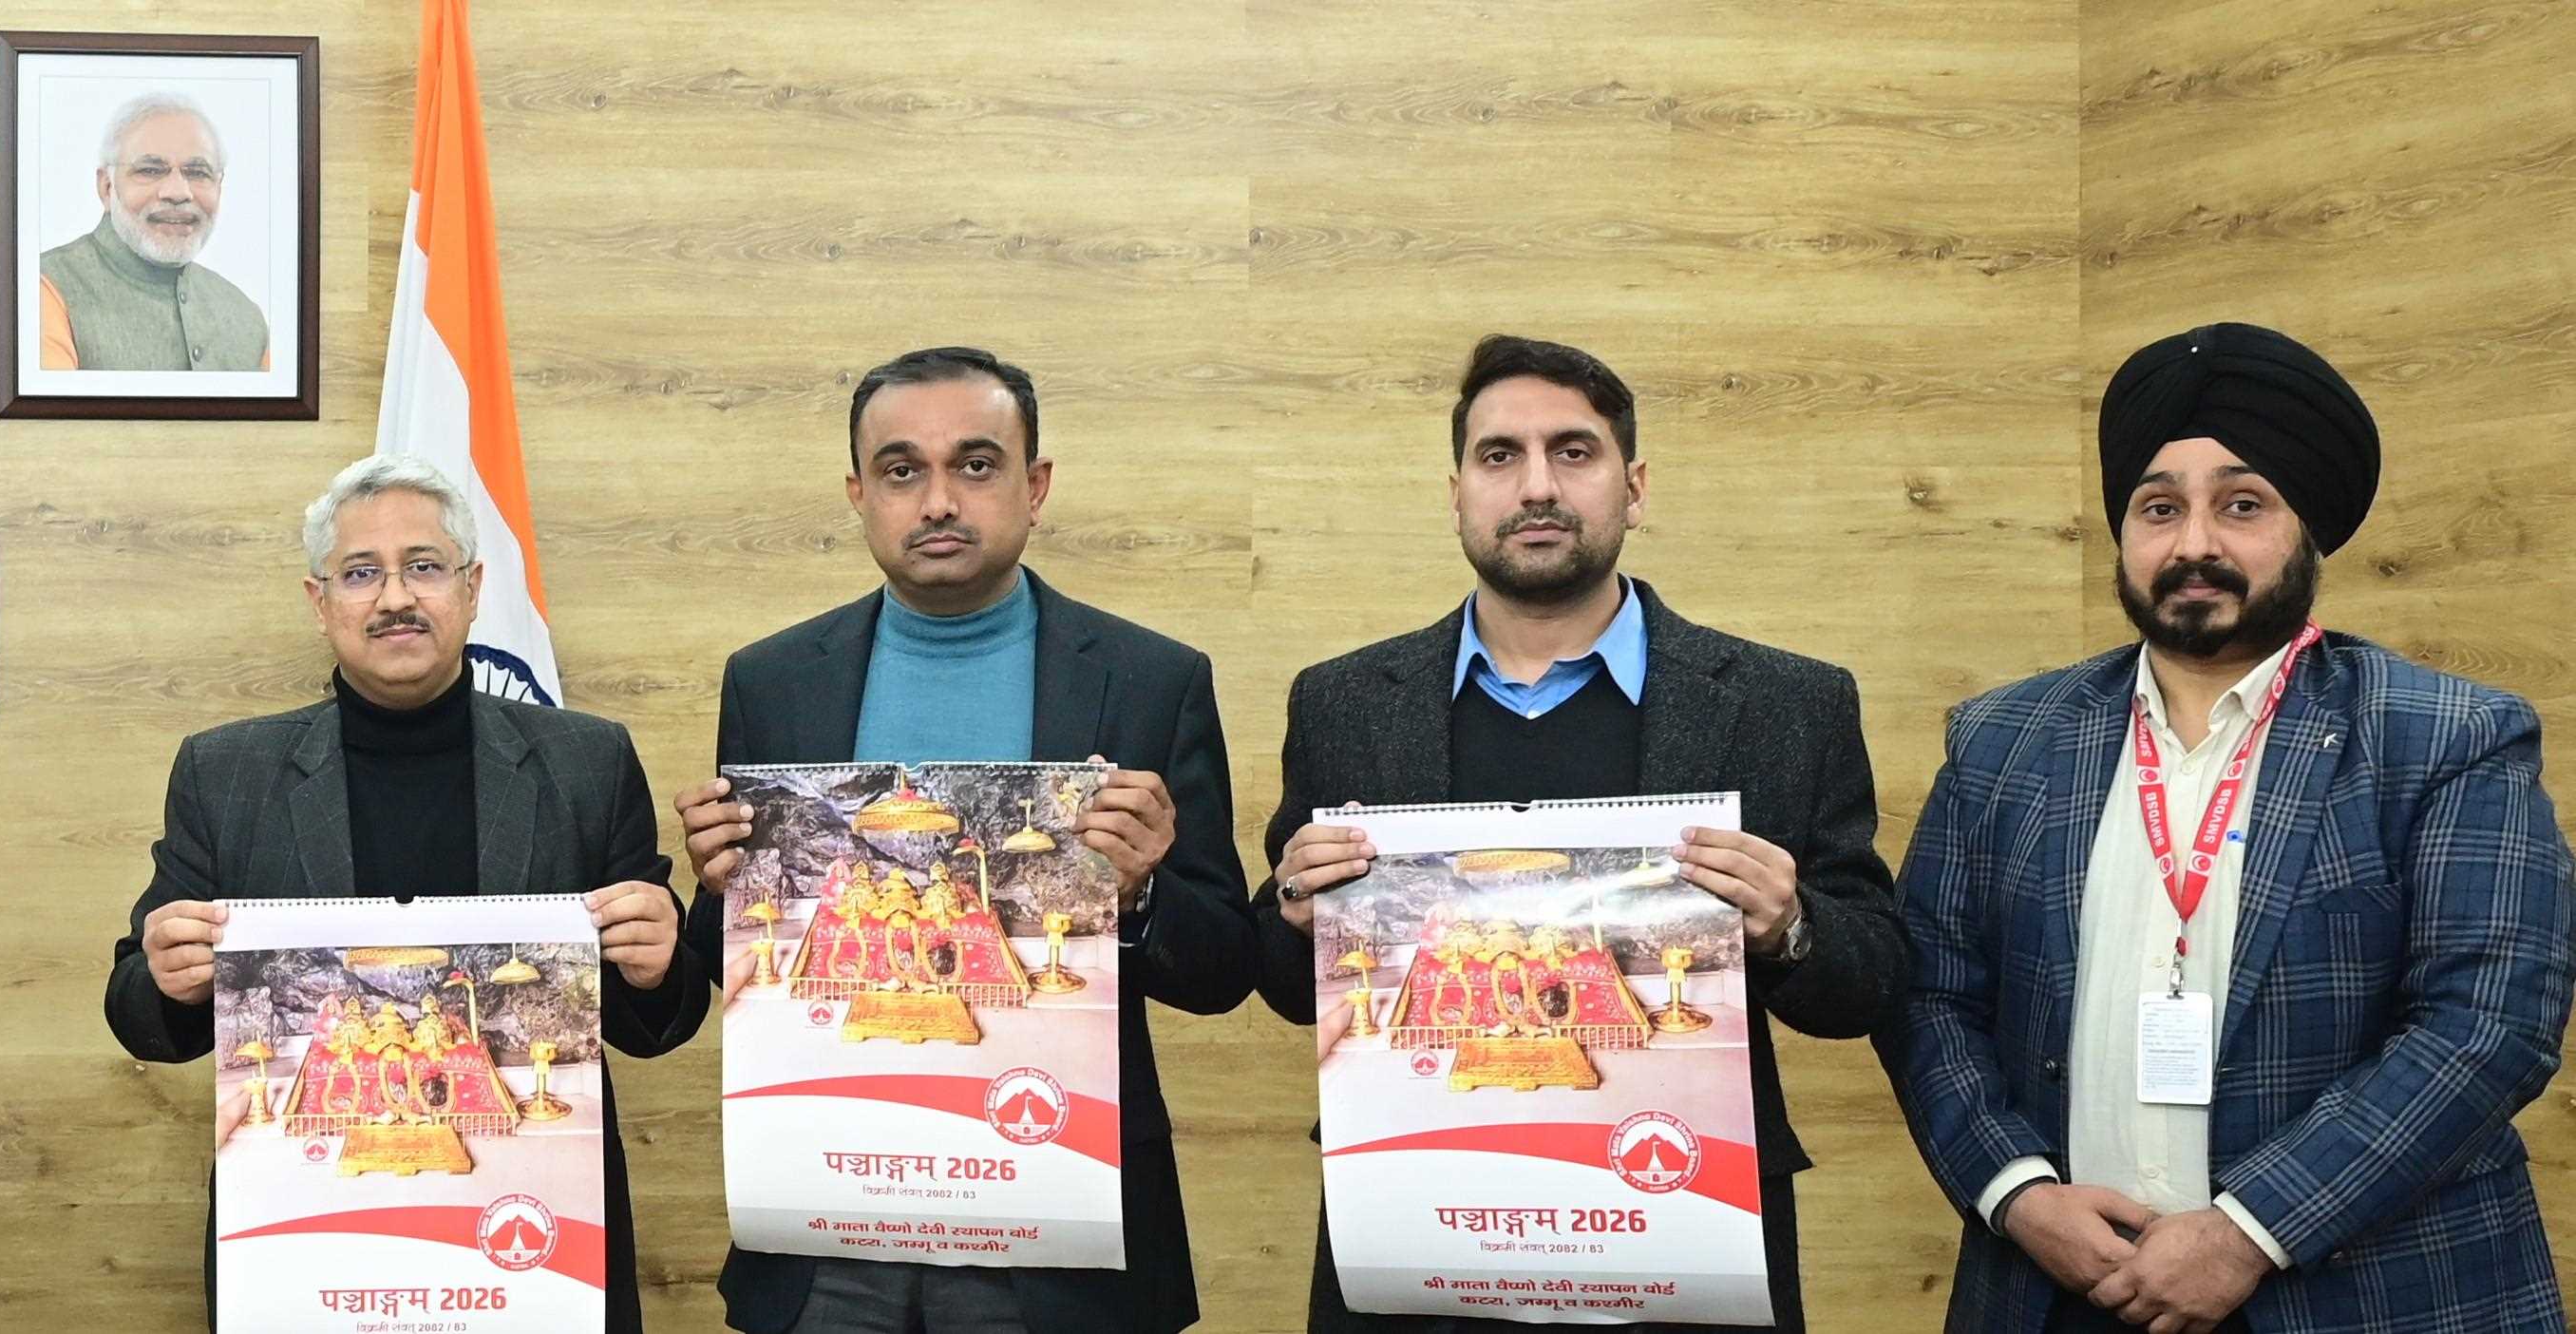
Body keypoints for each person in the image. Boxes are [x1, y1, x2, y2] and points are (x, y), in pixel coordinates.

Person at [1879, 322, 2565, 1333]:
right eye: (2159, 508)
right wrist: (2015, 1192)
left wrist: (2251, 1229)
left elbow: (2489, 1023)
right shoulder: (2003, 739)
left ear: (2307, 529)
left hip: (2361, 1296)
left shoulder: (2444, 736)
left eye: (2242, 505)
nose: (2194, 544)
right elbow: (1926, 991)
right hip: (2058, 1287)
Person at [1253, 335, 1904, 1332]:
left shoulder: (1787, 704)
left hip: (1684, 1221)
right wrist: (1294, 912)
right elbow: (1281, 984)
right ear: (1457, 494)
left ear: (1632, 487)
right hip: (1417, 1221)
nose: (1537, 486)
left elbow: (1872, 981)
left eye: (1573, 451)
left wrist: (1791, 927)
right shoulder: (1344, 704)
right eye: (1499, 456)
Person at [669, 347, 1254, 1332]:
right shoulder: (772, 682)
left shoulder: (1150, 681)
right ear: (859, 495)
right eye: (902, 470)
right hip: (830, 1217)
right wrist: (722, 884)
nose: (938, 500)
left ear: (1036, 485)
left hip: (1059, 1225)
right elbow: (727, 967)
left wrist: (1142, 892)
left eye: (975, 466)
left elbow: (1224, 970)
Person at [105, 455, 694, 1331]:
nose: (394, 598)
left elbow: (659, 1024)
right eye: (359, 573)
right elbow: (136, 1011)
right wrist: (168, 975)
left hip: (535, 1242)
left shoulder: (587, 761)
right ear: (319, 602)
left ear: (471, 589)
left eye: (423, 566)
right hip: (308, 1244)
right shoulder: (225, 772)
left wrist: (658, 963)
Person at [34, 90, 273, 372]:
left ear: (219, 188)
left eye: (198, 172)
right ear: (107, 187)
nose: (178, 192)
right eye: (150, 170)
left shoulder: (247, 320)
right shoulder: (43, 289)